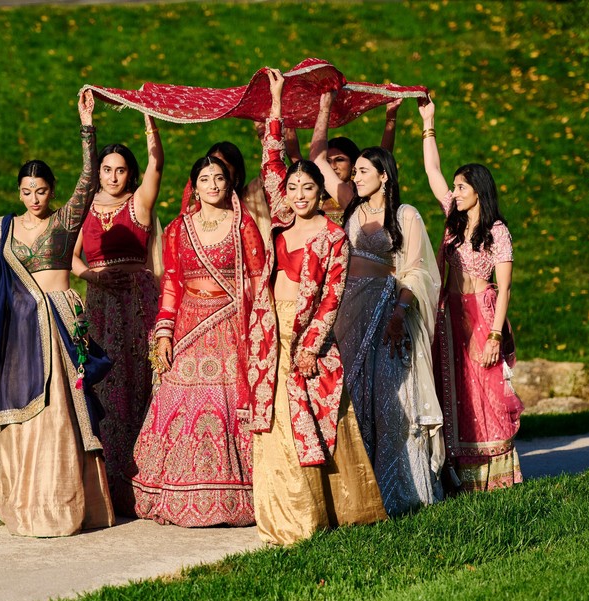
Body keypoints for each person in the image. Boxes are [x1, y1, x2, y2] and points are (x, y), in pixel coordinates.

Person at [248, 69, 388, 546]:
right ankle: (285, 518)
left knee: (322, 419)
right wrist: (276, 99)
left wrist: (311, 345)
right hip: (270, 337)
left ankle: (330, 512)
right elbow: (271, 156)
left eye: (309, 188)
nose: (301, 195)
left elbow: (332, 294)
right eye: (294, 189)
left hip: (311, 338)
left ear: (320, 193)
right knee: (275, 424)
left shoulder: (332, 236)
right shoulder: (280, 226)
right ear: (284, 194)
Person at [0, 91, 114, 537]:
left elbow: (90, 178)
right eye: (26, 191)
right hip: (16, 331)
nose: (33, 198)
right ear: (18, 192)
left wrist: (86, 126)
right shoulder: (3, 228)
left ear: (51, 191)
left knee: (60, 412)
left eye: (40, 191)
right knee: (26, 411)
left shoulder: (65, 221)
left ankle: (65, 504)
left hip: (58, 322)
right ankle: (23, 500)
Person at [315, 92, 445, 516]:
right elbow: (317, 157)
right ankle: (355, 492)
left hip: (385, 311)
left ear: (383, 176)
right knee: (349, 396)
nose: (355, 175)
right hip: (346, 310)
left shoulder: (405, 214)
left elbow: (415, 270)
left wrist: (398, 313)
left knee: (389, 402)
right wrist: (323, 105)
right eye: (355, 171)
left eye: (363, 170)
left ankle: (399, 489)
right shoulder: (350, 206)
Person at [130, 155, 265, 527]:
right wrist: (164, 333)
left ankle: (233, 497)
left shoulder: (243, 225)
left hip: (230, 330)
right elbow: (171, 283)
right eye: (205, 179)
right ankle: (174, 491)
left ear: (229, 183)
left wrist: (256, 330)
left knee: (225, 407)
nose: (214, 185)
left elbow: (256, 279)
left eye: (219, 178)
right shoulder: (178, 229)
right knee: (180, 404)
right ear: (195, 185)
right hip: (189, 327)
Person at [418, 95, 524, 492]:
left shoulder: (497, 232)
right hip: (449, 315)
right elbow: (432, 171)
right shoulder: (452, 219)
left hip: (482, 313)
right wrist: (429, 123)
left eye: (462, 187)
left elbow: (506, 285)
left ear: (478, 190)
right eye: (456, 187)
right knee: (454, 386)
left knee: (485, 387)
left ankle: (494, 475)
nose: (456, 191)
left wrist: (496, 334)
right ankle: (459, 473)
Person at [73, 109, 163, 517]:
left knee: (139, 381)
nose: (112, 176)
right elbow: (70, 259)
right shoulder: (84, 207)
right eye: (106, 169)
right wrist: (93, 277)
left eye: (121, 170)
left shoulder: (140, 202)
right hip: (100, 303)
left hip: (137, 302)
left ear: (131, 174)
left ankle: (142, 480)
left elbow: (157, 163)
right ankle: (107, 482)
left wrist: (150, 122)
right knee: (104, 384)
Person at [284, 98, 401, 224]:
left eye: (339, 160)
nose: (333, 166)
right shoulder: (314, 191)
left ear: (353, 165)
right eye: (327, 161)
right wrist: (286, 113)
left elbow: (382, 158)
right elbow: (293, 153)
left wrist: (391, 117)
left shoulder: (361, 196)